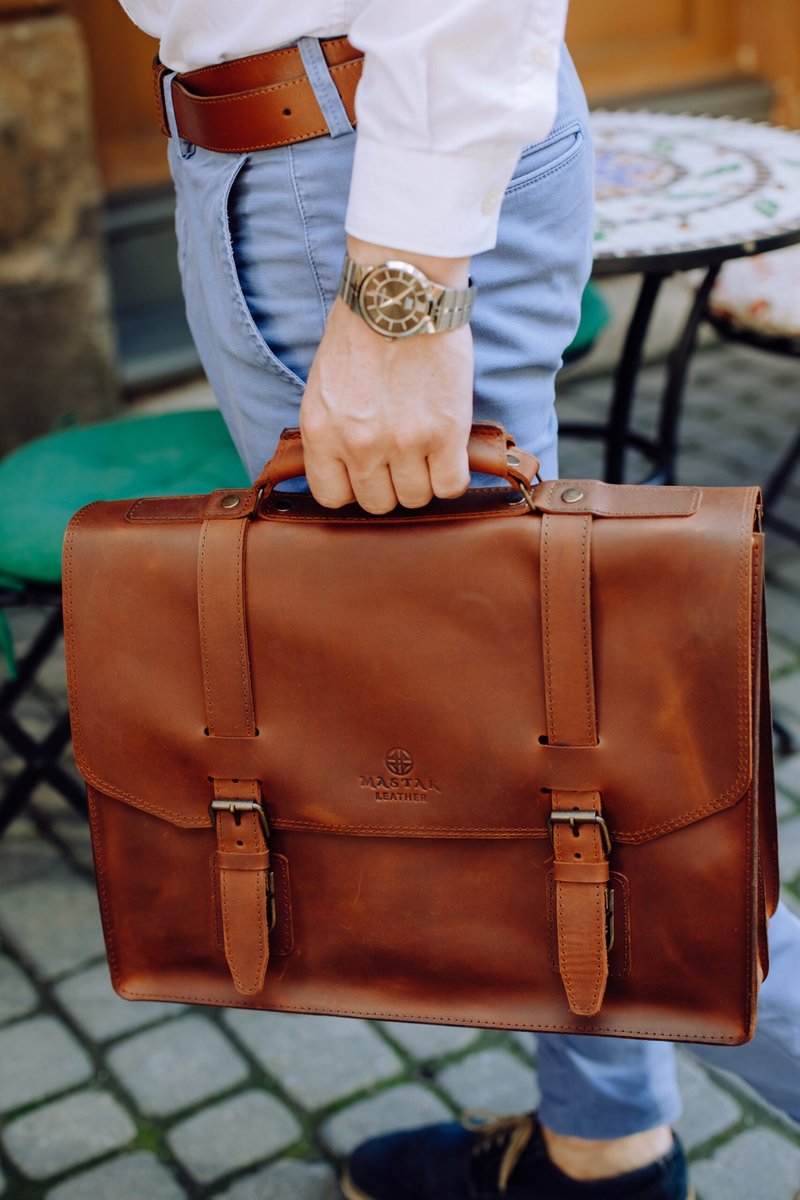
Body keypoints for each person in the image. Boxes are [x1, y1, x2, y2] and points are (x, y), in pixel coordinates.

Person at [116, 3, 800, 1197]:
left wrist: (399, 296)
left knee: (524, 754)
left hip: (343, 175)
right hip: (331, 149)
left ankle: (610, 1144)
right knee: (547, 741)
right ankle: (604, 1144)